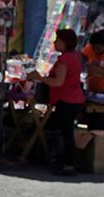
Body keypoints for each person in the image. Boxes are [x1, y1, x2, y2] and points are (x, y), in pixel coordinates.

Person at [28, 28, 84, 174]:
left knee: (66, 133)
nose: (54, 42)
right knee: (64, 131)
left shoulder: (66, 59)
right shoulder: (75, 56)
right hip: (74, 99)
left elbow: (58, 82)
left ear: (65, 42)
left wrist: (39, 77)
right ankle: (63, 161)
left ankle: (68, 164)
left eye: (57, 40)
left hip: (66, 100)